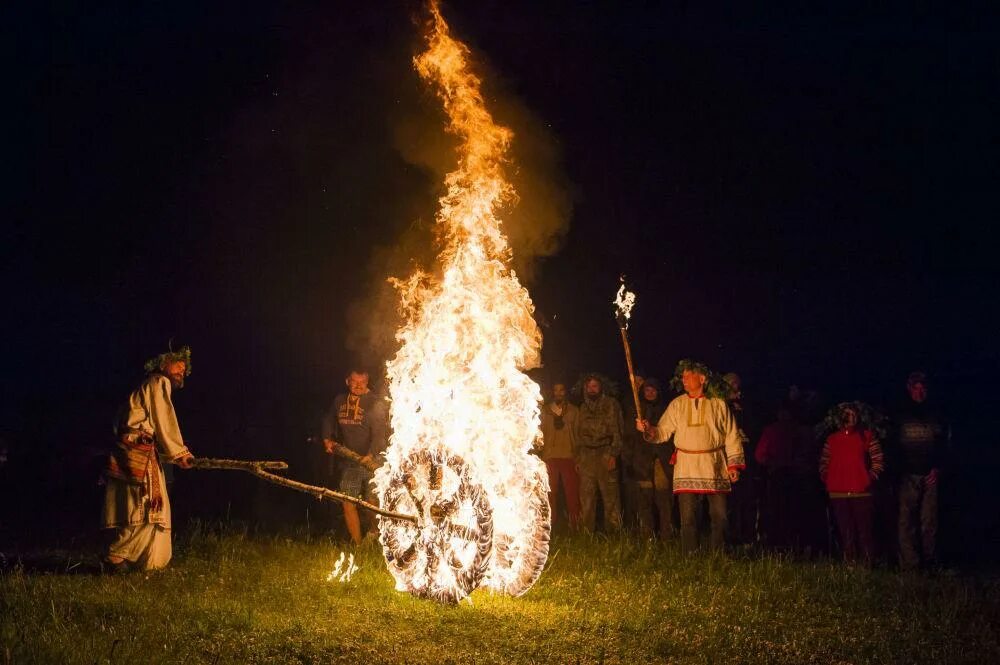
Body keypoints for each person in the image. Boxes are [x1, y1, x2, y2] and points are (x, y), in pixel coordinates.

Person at [102, 346, 195, 572]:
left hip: (133, 450)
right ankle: (117, 556)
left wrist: (167, 453)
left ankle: (142, 562)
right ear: (163, 364)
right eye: (177, 365)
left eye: (185, 369)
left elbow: (130, 422)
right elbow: (163, 419)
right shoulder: (157, 382)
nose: (181, 370)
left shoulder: (142, 387)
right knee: (146, 505)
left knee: (146, 504)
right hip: (138, 453)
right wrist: (180, 452)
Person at [637, 361, 745, 553]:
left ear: (702, 379)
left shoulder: (718, 404)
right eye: (683, 377)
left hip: (714, 465)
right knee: (687, 517)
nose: (683, 380)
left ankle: (717, 555)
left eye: (688, 376)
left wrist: (733, 465)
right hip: (686, 466)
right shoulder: (677, 404)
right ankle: (690, 556)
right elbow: (663, 431)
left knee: (719, 516)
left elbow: (731, 434)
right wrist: (649, 429)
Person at [322, 369, 388, 545]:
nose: (358, 386)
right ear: (347, 381)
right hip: (349, 460)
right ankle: (357, 544)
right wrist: (327, 438)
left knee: (371, 501)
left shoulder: (375, 403)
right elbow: (329, 418)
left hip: (373, 460)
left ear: (367, 382)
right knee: (347, 500)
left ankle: (374, 531)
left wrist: (371, 454)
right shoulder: (339, 400)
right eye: (354, 382)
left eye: (363, 382)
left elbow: (380, 434)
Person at [893, 371, 950, 571]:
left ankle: (930, 562)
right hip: (907, 474)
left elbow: (945, 444)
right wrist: (899, 470)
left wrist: (938, 468)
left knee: (929, 521)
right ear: (909, 388)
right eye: (915, 387)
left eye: (923, 387)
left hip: (930, 475)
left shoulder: (937, 413)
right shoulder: (899, 413)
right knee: (906, 521)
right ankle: (910, 565)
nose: (920, 391)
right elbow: (892, 444)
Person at [819, 402, 884, 565]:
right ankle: (850, 563)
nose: (851, 417)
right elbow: (824, 463)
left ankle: (868, 563)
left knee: (864, 530)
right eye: (848, 414)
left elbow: (878, 460)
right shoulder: (832, 439)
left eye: (854, 414)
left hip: (861, 491)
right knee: (845, 530)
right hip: (838, 492)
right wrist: (828, 478)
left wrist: (869, 478)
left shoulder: (867, 436)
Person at [622, 378, 675, 539]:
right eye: (647, 390)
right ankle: (647, 535)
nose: (650, 393)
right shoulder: (636, 410)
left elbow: (669, 434)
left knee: (663, 500)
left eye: (653, 390)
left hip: (661, 461)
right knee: (644, 500)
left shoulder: (666, 410)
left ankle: (667, 534)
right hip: (642, 461)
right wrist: (628, 459)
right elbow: (629, 436)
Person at [575, 374, 624, 532]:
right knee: (586, 498)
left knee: (611, 497)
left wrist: (613, 454)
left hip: (605, 452)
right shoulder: (582, 408)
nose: (591, 389)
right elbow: (578, 434)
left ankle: (614, 534)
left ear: (601, 387)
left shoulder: (611, 404)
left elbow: (618, 430)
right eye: (589, 387)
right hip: (587, 456)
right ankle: (586, 534)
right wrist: (578, 457)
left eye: (595, 386)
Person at [755, 403, 804, 549]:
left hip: (783, 473)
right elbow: (760, 455)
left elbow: (759, 455)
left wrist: (771, 462)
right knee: (784, 508)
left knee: (780, 508)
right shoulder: (791, 430)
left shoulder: (785, 430)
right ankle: (785, 540)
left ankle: (779, 541)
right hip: (784, 473)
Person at [539, 382, 581, 530]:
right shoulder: (544, 411)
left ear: (565, 392)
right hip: (549, 456)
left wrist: (578, 457)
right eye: (555, 390)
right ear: (552, 392)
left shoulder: (574, 411)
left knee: (572, 492)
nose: (558, 393)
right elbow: (539, 434)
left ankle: (575, 524)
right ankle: (550, 524)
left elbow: (578, 434)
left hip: (569, 456)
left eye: (561, 390)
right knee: (550, 492)